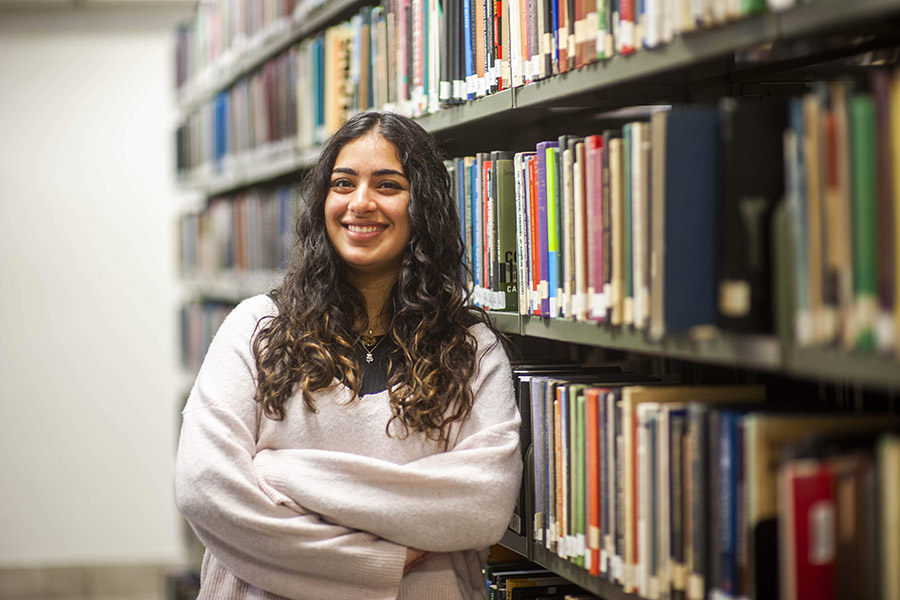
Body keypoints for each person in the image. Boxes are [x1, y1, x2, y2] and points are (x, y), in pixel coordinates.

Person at [174, 111, 522, 600]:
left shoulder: (468, 348)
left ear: (423, 205)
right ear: (322, 201)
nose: (361, 203)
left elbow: (482, 504)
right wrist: (384, 557)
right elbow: (205, 489)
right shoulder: (256, 329)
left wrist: (280, 475)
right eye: (343, 183)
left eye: (388, 185)